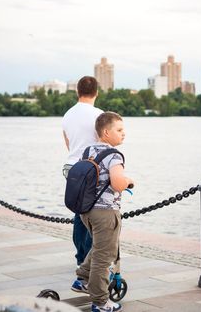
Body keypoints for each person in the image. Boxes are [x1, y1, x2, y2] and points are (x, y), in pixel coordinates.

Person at [71, 112, 134, 312]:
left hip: (86, 211)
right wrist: (129, 181)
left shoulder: (88, 151)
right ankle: (100, 301)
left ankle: (82, 279)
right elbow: (117, 183)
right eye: (119, 130)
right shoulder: (114, 155)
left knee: (98, 248)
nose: (123, 134)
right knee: (104, 256)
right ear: (106, 132)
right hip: (106, 212)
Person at [62, 76, 103, 266]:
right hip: (91, 169)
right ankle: (89, 259)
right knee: (94, 214)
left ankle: (81, 257)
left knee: (79, 213)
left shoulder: (68, 114)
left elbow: (69, 144)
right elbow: (105, 143)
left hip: (71, 167)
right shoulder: (99, 115)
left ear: (78, 91)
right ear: (96, 92)